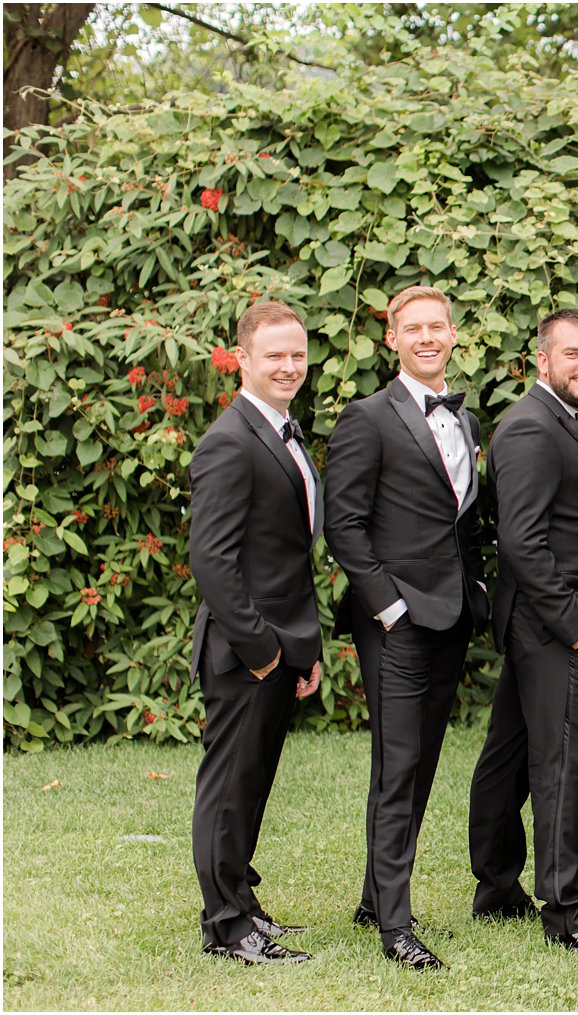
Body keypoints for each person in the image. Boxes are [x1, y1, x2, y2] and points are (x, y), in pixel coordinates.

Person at [324, 285, 489, 971]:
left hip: (449, 615)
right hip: (394, 619)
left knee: (419, 759)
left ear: (453, 335)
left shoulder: (467, 419)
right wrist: (388, 606)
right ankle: (396, 924)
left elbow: (464, 520)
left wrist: (474, 589)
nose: (427, 337)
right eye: (412, 328)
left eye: (438, 327)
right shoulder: (367, 418)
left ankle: (374, 896)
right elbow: (344, 524)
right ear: (392, 339)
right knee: (397, 765)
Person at [468, 308, 578, 957]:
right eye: (573, 353)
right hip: (554, 620)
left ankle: (497, 884)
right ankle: (565, 907)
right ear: (542, 361)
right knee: (564, 763)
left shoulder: (558, 420)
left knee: (508, 755)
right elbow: (522, 542)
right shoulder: (533, 428)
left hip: (540, 620)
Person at [189, 299, 323, 965]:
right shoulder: (228, 440)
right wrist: (263, 650)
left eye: (297, 353)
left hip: (280, 644)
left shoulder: (280, 430)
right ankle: (226, 924)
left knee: (255, 783)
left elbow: (289, 554)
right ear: (242, 358)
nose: (288, 365)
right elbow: (211, 561)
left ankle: (242, 897)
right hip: (244, 652)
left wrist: (306, 648)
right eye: (274, 354)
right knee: (228, 789)